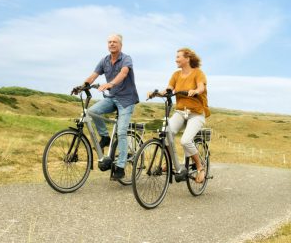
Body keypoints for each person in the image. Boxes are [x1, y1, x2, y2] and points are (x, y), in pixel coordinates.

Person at [149, 48, 210, 183]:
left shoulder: (198, 73)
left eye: (178, 57)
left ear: (187, 59)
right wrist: (156, 93)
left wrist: (195, 91)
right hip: (181, 112)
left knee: (185, 141)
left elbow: (201, 87)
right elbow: (169, 89)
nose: (176, 59)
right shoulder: (176, 75)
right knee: (165, 133)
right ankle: (171, 162)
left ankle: (200, 167)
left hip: (196, 114)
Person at [83, 34, 139, 180]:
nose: (112, 44)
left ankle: (120, 167)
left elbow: (124, 73)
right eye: (109, 42)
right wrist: (82, 86)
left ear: (120, 45)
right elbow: (93, 76)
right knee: (92, 112)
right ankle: (105, 137)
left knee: (121, 132)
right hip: (112, 98)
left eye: (115, 42)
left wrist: (111, 84)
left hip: (126, 100)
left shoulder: (126, 59)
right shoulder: (105, 60)